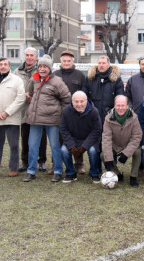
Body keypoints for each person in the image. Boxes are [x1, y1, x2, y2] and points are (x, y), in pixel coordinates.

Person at [23, 55, 71, 183]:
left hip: (53, 120)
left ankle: (58, 171)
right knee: (32, 145)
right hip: (35, 119)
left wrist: (61, 115)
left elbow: (66, 99)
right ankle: (31, 171)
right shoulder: (34, 80)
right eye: (40, 66)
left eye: (45, 66)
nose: (42, 69)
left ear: (50, 68)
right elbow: (31, 95)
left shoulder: (57, 82)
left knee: (55, 146)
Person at [0, 57, 26, 177]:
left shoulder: (17, 80)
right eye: (0, 64)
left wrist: (7, 112)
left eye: (5, 64)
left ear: (9, 66)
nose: (3, 66)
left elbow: (20, 98)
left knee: (14, 145)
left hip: (12, 119)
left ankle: (13, 168)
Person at [13, 47, 47, 173]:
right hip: (24, 109)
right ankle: (25, 161)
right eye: (27, 55)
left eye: (32, 55)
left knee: (41, 137)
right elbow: (14, 88)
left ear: (36, 57)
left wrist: (32, 96)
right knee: (25, 136)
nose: (29, 57)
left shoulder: (42, 69)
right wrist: (23, 96)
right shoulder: (17, 71)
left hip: (39, 108)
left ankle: (42, 161)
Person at [59, 91, 102, 183]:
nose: (79, 104)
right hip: (73, 138)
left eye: (82, 101)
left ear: (86, 101)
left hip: (90, 139)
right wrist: (71, 145)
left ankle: (94, 173)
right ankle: (71, 173)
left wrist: (84, 146)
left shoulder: (94, 111)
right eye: (76, 101)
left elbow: (97, 130)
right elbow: (63, 129)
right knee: (64, 150)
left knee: (93, 151)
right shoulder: (66, 111)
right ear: (72, 101)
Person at [101, 95, 143, 188]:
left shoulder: (134, 117)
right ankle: (117, 174)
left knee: (138, 152)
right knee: (103, 155)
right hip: (115, 145)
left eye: (123, 105)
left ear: (127, 106)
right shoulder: (108, 118)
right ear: (114, 106)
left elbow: (137, 136)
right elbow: (106, 138)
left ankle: (133, 177)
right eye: (118, 105)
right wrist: (108, 159)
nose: (120, 108)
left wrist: (126, 153)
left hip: (129, 144)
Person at [84, 55, 125, 126]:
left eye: (103, 63)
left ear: (108, 65)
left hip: (111, 117)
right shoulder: (90, 79)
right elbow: (84, 96)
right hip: (93, 116)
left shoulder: (116, 80)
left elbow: (120, 97)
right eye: (99, 63)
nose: (101, 65)